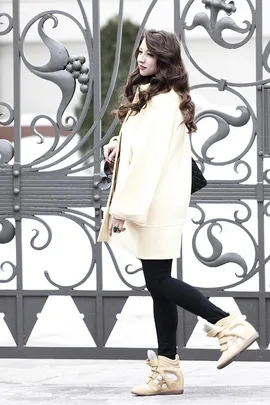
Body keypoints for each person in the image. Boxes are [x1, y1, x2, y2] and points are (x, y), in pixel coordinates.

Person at [97, 29, 259, 396]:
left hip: (153, 202)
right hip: (157, 200)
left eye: (150, 54)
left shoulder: (163, 101)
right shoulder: (154, 96)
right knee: (159, 288)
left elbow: (150, 163)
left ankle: (229, 325)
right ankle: (168, 372)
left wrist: (123, 208)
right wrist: (116, 144)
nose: (141, 58)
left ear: (164, 60)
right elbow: (146, 146)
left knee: (158, 282)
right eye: (140, 52)